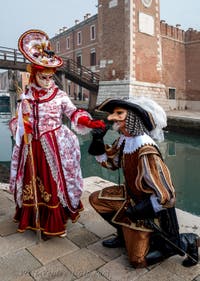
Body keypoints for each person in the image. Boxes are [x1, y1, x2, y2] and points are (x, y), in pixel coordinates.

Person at [9, 29, 105, 239]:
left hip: (53, 143)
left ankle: (54, 220)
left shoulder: (59, 95)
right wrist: (18, 124)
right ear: (35, 74)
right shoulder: (26, 95)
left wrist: (88, 120)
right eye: (43, 77)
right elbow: (17, 119)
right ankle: (34, 219)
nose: (47, 80)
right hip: (30, 145)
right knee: (31, 181)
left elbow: (72, 112)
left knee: (54, 182)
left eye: (50, 77)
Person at [88, 97, 199, 268]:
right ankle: (123, 234)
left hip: (149, 209)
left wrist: (139, 210)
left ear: (132, 119)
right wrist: (98, 142)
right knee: (96, 199)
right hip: (130, 197)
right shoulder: (125, 140)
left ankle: (188, 240)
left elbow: (167, 195)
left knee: (137, 261)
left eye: (119, 114)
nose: (112, 118)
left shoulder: (146, 151)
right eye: (113, 113)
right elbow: (112, 163)